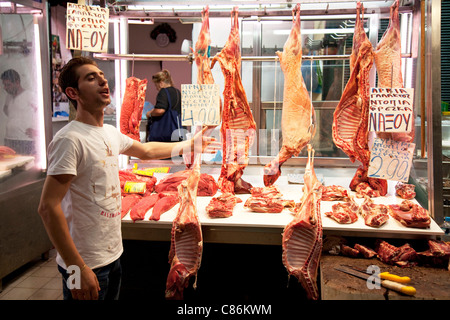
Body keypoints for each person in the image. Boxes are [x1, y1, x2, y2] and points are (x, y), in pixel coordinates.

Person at [37, 57, 219, 300]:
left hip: (112, 257)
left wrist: (190, 145)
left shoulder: (109, 133)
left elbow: (147, 151)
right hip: (83, 263)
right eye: (91, 78)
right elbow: (48, 207)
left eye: (101, 75)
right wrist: (76, 268)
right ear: (73, 92)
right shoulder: (69, 140)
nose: (102, 80)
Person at [1, 69, 38, 155]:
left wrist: (37, 131)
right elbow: (6, 110)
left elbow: (45, 113)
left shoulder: (30, 95)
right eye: (4, 85)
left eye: (8, 85)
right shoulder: (8, 97)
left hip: (24, 140)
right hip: (9, 139)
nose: (5, 88)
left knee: (24, 167)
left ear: (17, 82)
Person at [146, 69, 183, 142]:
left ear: (161, 83)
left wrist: (150, 113)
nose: (156, 88)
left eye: (156, 85)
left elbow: (160, 110)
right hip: (177, 132)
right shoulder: (177, 92)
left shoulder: (163, 91)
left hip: (164, 135)